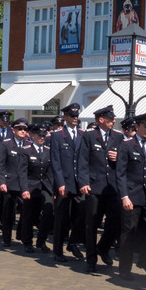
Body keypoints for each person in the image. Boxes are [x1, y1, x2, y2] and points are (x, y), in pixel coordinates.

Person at [116, 112, 146, 280]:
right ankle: (124, 269)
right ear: (137, 127)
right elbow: (120, 174)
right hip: (132, 193)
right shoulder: (127, 145)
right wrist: (124, 196)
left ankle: (145, 259)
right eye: (145, 127)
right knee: (129, 231)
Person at [78, 105, 123, 272]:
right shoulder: (89, 136)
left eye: (113, 119)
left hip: (112, 187)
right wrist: (83, 182)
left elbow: (124, 162)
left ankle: (103, 247)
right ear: (101, 120)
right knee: (92, 224)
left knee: (115, 221)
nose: (114, 121)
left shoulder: (118, 137)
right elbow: (82, 160)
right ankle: (91, 259)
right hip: (94, 186)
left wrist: (118, 158)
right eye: (111, 119)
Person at [50, 103, 85, 262]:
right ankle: (58, 251)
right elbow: (55, 161)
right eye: (72, 116)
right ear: (65, 117)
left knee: (82, 214)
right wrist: (60, 183)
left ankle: (73, 242)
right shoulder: (57, 136)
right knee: (61, 219)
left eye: (77, 116)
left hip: (79, 183)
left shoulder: (82, 135)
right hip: (64, 183)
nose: (75, 118)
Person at [21, 124, 59, 253]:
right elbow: (22, 172)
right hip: (31, 186)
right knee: (30, 215)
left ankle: (41, 240)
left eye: (44, 136)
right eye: (39, 135)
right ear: (32, 136)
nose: (42, 138)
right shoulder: (26, 150)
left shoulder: (48, 150)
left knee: (49, 211)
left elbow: (51, 172)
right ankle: (27, 241)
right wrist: (24, 189)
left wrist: (54, 189)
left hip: (45, 186)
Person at [0, 119, 31, 248]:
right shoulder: (6, 144)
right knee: (8, 212)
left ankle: (23, 237)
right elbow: (0, 165)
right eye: (19, 129)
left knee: (26, 212)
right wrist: (2, 182)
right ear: (13, 130)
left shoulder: (29, 145)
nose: (23, 131)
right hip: (10, 183)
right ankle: (6, 238)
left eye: (24, 129)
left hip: (25, 184)